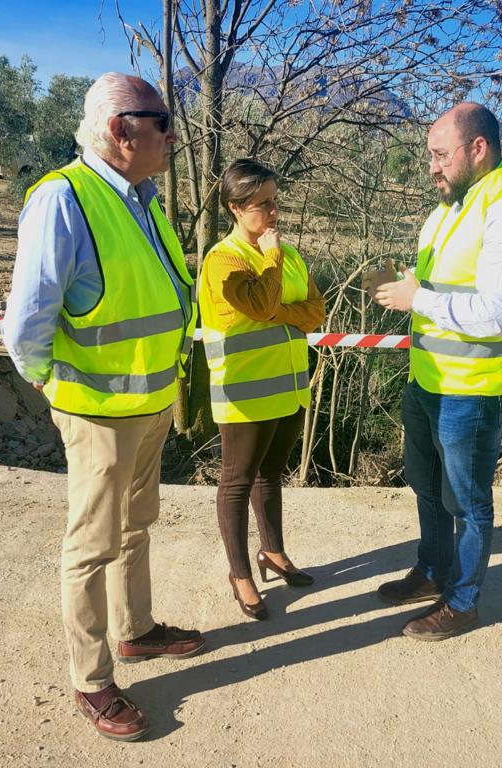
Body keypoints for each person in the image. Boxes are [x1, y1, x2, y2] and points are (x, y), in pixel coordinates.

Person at [3, 73, 205, 742]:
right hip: (97, 410)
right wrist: (45, 379)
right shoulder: (64, 198)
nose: (172, 135)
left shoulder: (141, 199)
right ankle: (91, 680)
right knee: (90, 545)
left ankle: (135, 630)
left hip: (149, 403)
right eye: (162, 122)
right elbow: (26, 320)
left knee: (135, 524)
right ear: (122, 130)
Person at [371, 102, 502, 641]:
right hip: (429, 379)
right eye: (430, 155)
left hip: (474, 388)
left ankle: (463, 602)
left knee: (468, 502)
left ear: (478, 148)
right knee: (426, 484)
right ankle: (433, 570)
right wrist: (409, 284)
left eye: (441, 154)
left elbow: (498, 314)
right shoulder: (453, 206)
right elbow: (446, 284)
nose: (432, 166)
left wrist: (419, 299)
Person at [198, 158, 326, 620]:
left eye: (275, 201)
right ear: (235, 208)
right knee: (236, 483)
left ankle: (273, 552)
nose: (274, 212)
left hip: (289, 388)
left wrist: (279, 312)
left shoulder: (288, 255)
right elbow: (257, 303)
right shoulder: (223, 260)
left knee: (271, 475)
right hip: (244, 392)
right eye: (262, 204)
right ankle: (240, 575)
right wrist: (271, 264)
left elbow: (316, 311)